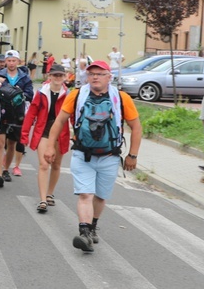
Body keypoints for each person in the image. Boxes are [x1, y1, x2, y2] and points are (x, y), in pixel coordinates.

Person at [44, 60, 141, 252]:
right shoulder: (76, 95)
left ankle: (93, 226)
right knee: (85, 194)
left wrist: (133, 155)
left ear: (109, 77)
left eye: (99, 73)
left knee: (101, 196)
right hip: (83, 154)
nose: (95, 77)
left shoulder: (121, 98)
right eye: (91, 74)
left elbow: (136, 127)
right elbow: (60, 121)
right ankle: (85, 233)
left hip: (110, 156)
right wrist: (50, 146)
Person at [22, 64, 70, 212]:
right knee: (44, 164)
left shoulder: (69, 95)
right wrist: (24, 135)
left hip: (61, 131)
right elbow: (31, 113)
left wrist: (79, 134)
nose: (57, 78)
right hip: (44, 130)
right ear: (49, 77)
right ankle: (42, 200)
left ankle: (50, 194)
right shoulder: (42, 93)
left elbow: (74, 115)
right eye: (54, 75)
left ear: (65, 77)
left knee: (56, 165)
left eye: (60, 75)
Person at [0, 49, 34, 185]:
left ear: (18, 61)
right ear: (5, 62)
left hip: (17, 113)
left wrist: (18, 92)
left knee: (11, 144)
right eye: (9, 61)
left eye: (13, 61)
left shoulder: (24, 77)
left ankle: (6, 169)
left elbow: (30, 95)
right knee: (0, 143)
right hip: (2, 111)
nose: (11, 63)